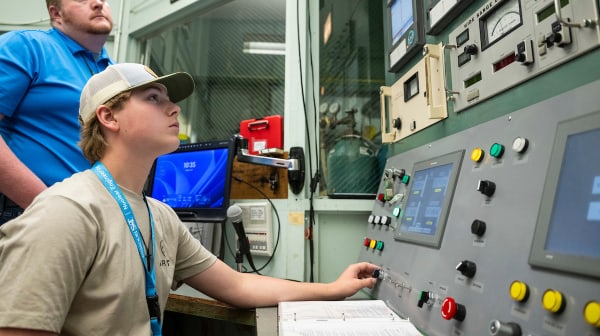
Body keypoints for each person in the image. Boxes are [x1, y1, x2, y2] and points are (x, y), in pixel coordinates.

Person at [0, 63, 379, 335]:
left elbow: (239, 287)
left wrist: (332, 289)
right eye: (153, 98)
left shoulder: (160, 216)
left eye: (169, 99)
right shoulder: (67, 210)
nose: (174, 108)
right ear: (109, 117)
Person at [0, 0, 114, 223]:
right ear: (56, 13)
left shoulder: (115, 72)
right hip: (30, 212)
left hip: (98, 219)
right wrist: (47, 206)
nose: (97, 3)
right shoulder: (27, 47)